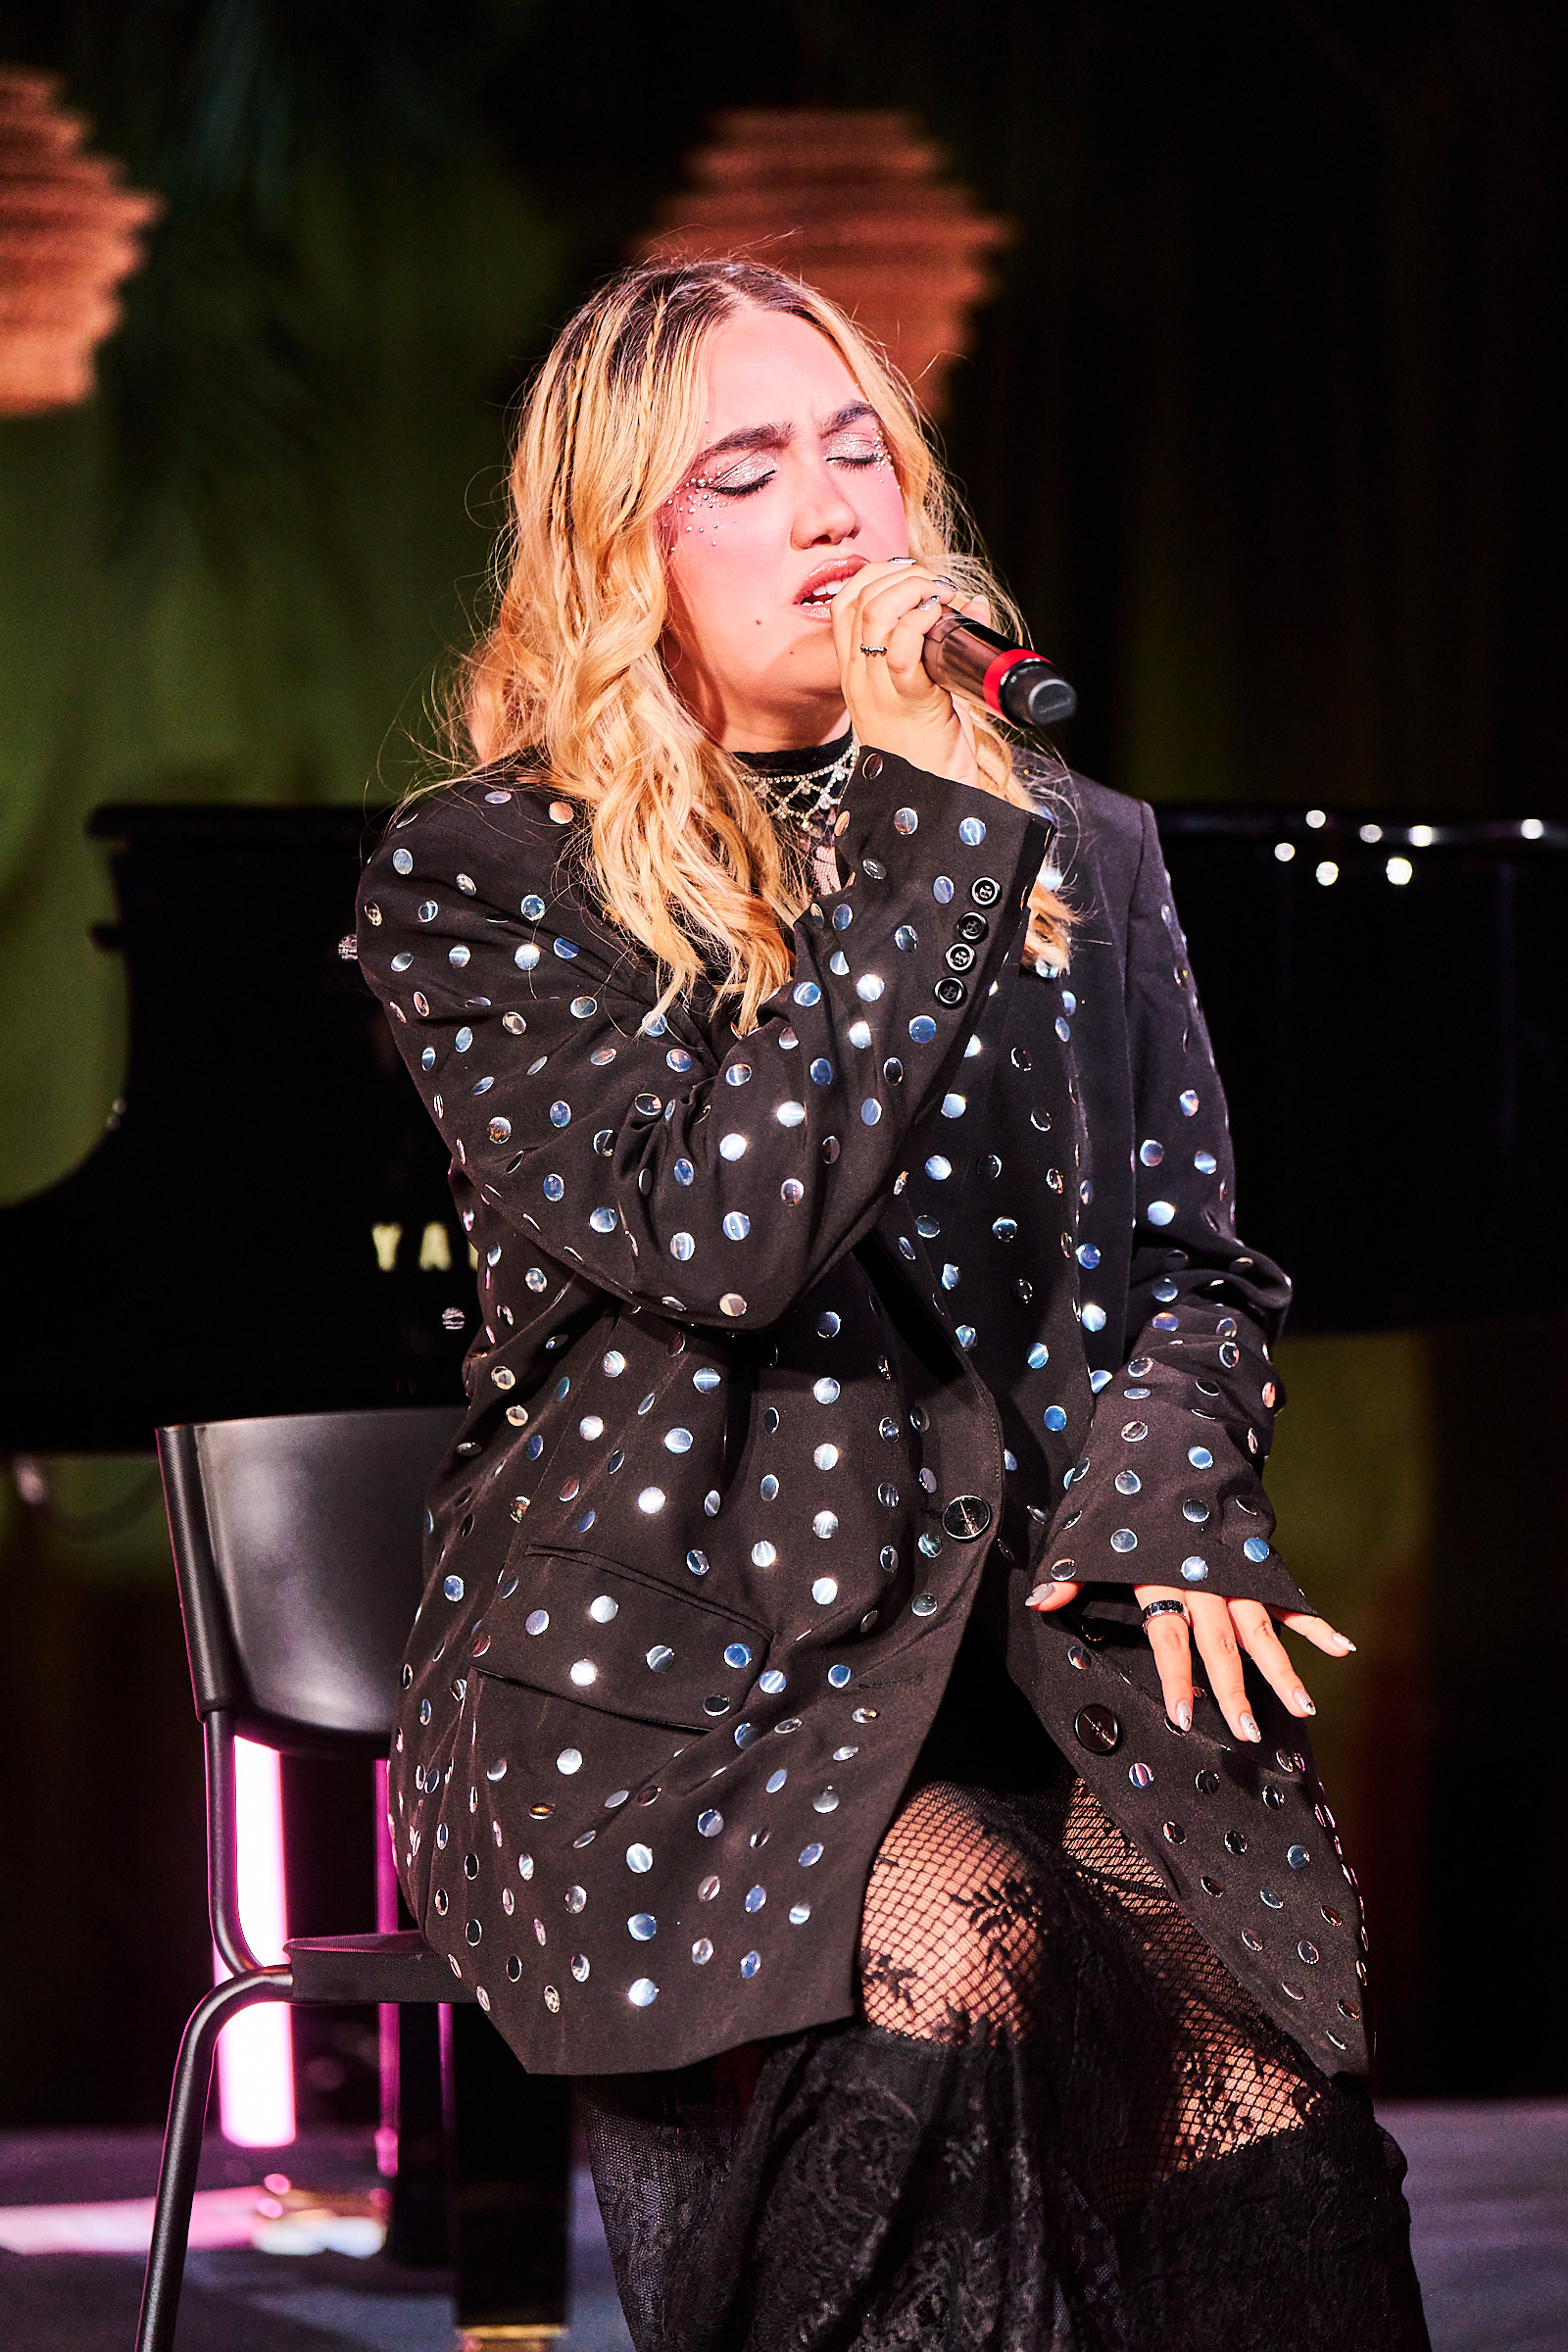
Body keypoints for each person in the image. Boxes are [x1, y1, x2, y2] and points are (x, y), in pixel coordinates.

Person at [358, 258, 1429, 2350]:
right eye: (745, 470)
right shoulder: (490, 869)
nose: (833, 510)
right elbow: (721, 1234)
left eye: (858, 449)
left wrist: (1168, 1499)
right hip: (670, 1683)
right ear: (620, 546)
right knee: (972, 1936)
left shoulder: (1083, 847)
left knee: (1248, 2050)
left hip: (1023, 1638)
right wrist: (930, 831)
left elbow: (1189, 1261)